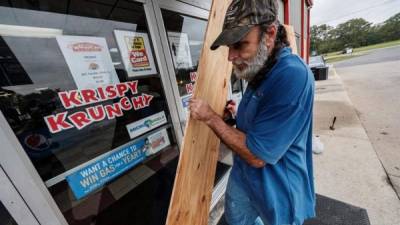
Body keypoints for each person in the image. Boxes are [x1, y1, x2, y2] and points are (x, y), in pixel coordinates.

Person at [188, 0, 316, 224]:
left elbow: (257, 156)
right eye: (229, 46)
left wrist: (211, 118)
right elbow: (262, 115)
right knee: (236, 220)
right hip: (244, 176)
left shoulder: (292, 75)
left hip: (277, 185)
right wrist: (235, 116)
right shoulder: (261, 67)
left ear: (270, 34)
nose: (230, 56)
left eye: (239, 44)